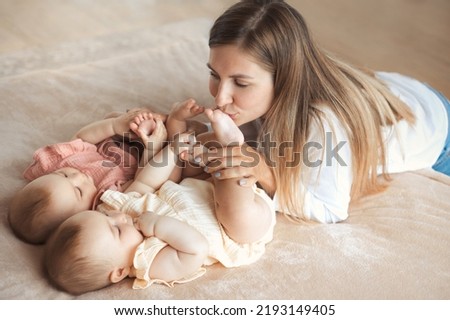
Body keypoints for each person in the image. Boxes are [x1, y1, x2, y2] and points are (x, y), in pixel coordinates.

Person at [189, 0, 449, 224]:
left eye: (241, 83)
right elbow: (230, 139)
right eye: (214, 74)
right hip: (393, 87)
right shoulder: (259, 95)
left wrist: (264, 171)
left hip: (438, 127)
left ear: (284, 79)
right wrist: (174, 128)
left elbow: (330, 209)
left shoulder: (324, 124)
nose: (220, 97)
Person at [44, 101, 275, 295]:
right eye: (116, 230)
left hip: (199, 189)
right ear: (119, 272)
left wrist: (171, 151)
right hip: (236, 230)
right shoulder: (150, 263)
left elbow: (147, 181)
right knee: (236, 208)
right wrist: (157, 225)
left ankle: (194, 133)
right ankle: (233, 145)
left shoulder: (122, 208)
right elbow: (196, 248)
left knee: (189, 156)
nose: (118, 217)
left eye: (105, 216)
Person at [8, 108, 167, 244]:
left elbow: (82, 138)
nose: (78, 176)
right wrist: (153, 147)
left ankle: (143, 118)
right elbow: (143, 179)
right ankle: (165, 124)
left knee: (113, 117)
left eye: (63, 175)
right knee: (169, 163)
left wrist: (114, 126)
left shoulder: (62, 162)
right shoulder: (107, 201)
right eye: (78, 191)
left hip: (116, 138)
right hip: (145, 156)